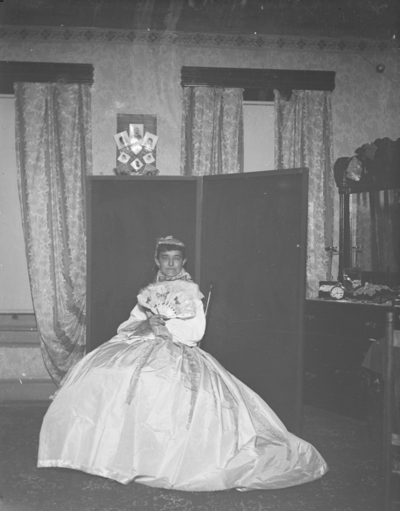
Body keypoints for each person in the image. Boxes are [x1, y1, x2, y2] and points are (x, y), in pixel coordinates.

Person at [38, 236, 328, 491]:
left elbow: (195, 333)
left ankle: (150, 458)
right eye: (165, 259)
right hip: (143, 343)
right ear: (157, 261)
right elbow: (126, 326)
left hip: (178, 350)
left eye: (176, 260)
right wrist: (147, 322)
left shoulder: (190, 291)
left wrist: (166, 327)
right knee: (105, 371)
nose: (171, 265)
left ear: (184, 261)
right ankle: (96, 453)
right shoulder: (150, 291)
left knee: (156, 381)